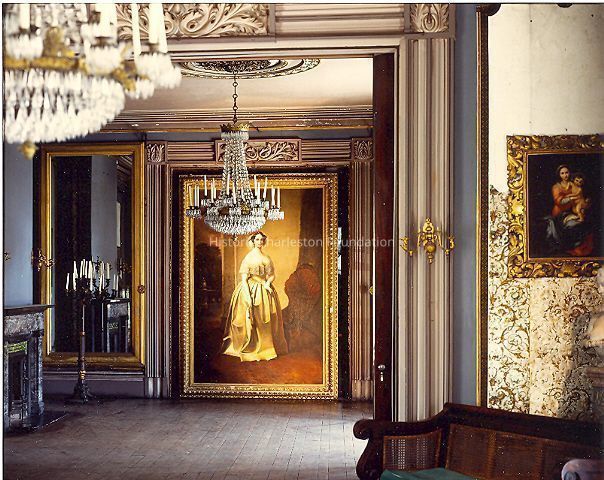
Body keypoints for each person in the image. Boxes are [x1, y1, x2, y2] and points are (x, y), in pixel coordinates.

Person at [220, 232, 288, 361]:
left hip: (264, 287)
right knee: (247, 314)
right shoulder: (248, 258)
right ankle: (249, 344)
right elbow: (244, 279)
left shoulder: (266, 258)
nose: (260, 242)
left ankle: (265, 346)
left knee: (266, 315)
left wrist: (267, 283)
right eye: (257, 239)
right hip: (249, 287)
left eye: (262, 240)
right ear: (253, 241)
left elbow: (271, 275)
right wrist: (247, 295)